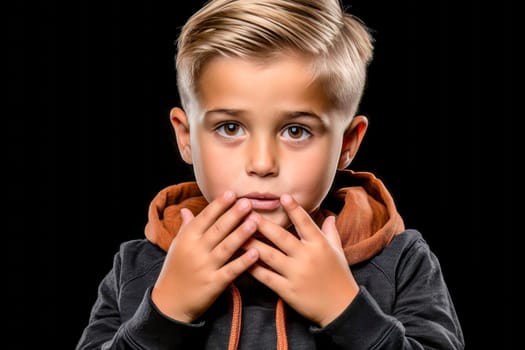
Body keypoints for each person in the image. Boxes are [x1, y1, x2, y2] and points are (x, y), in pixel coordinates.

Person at [75, 0, 465, 349]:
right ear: (185, 136)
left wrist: (346, 312)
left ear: (348, 143)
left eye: (296, 131)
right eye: (230, 128)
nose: (262, 164)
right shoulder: (138, 265)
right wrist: (164, 313)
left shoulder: (402, 261)